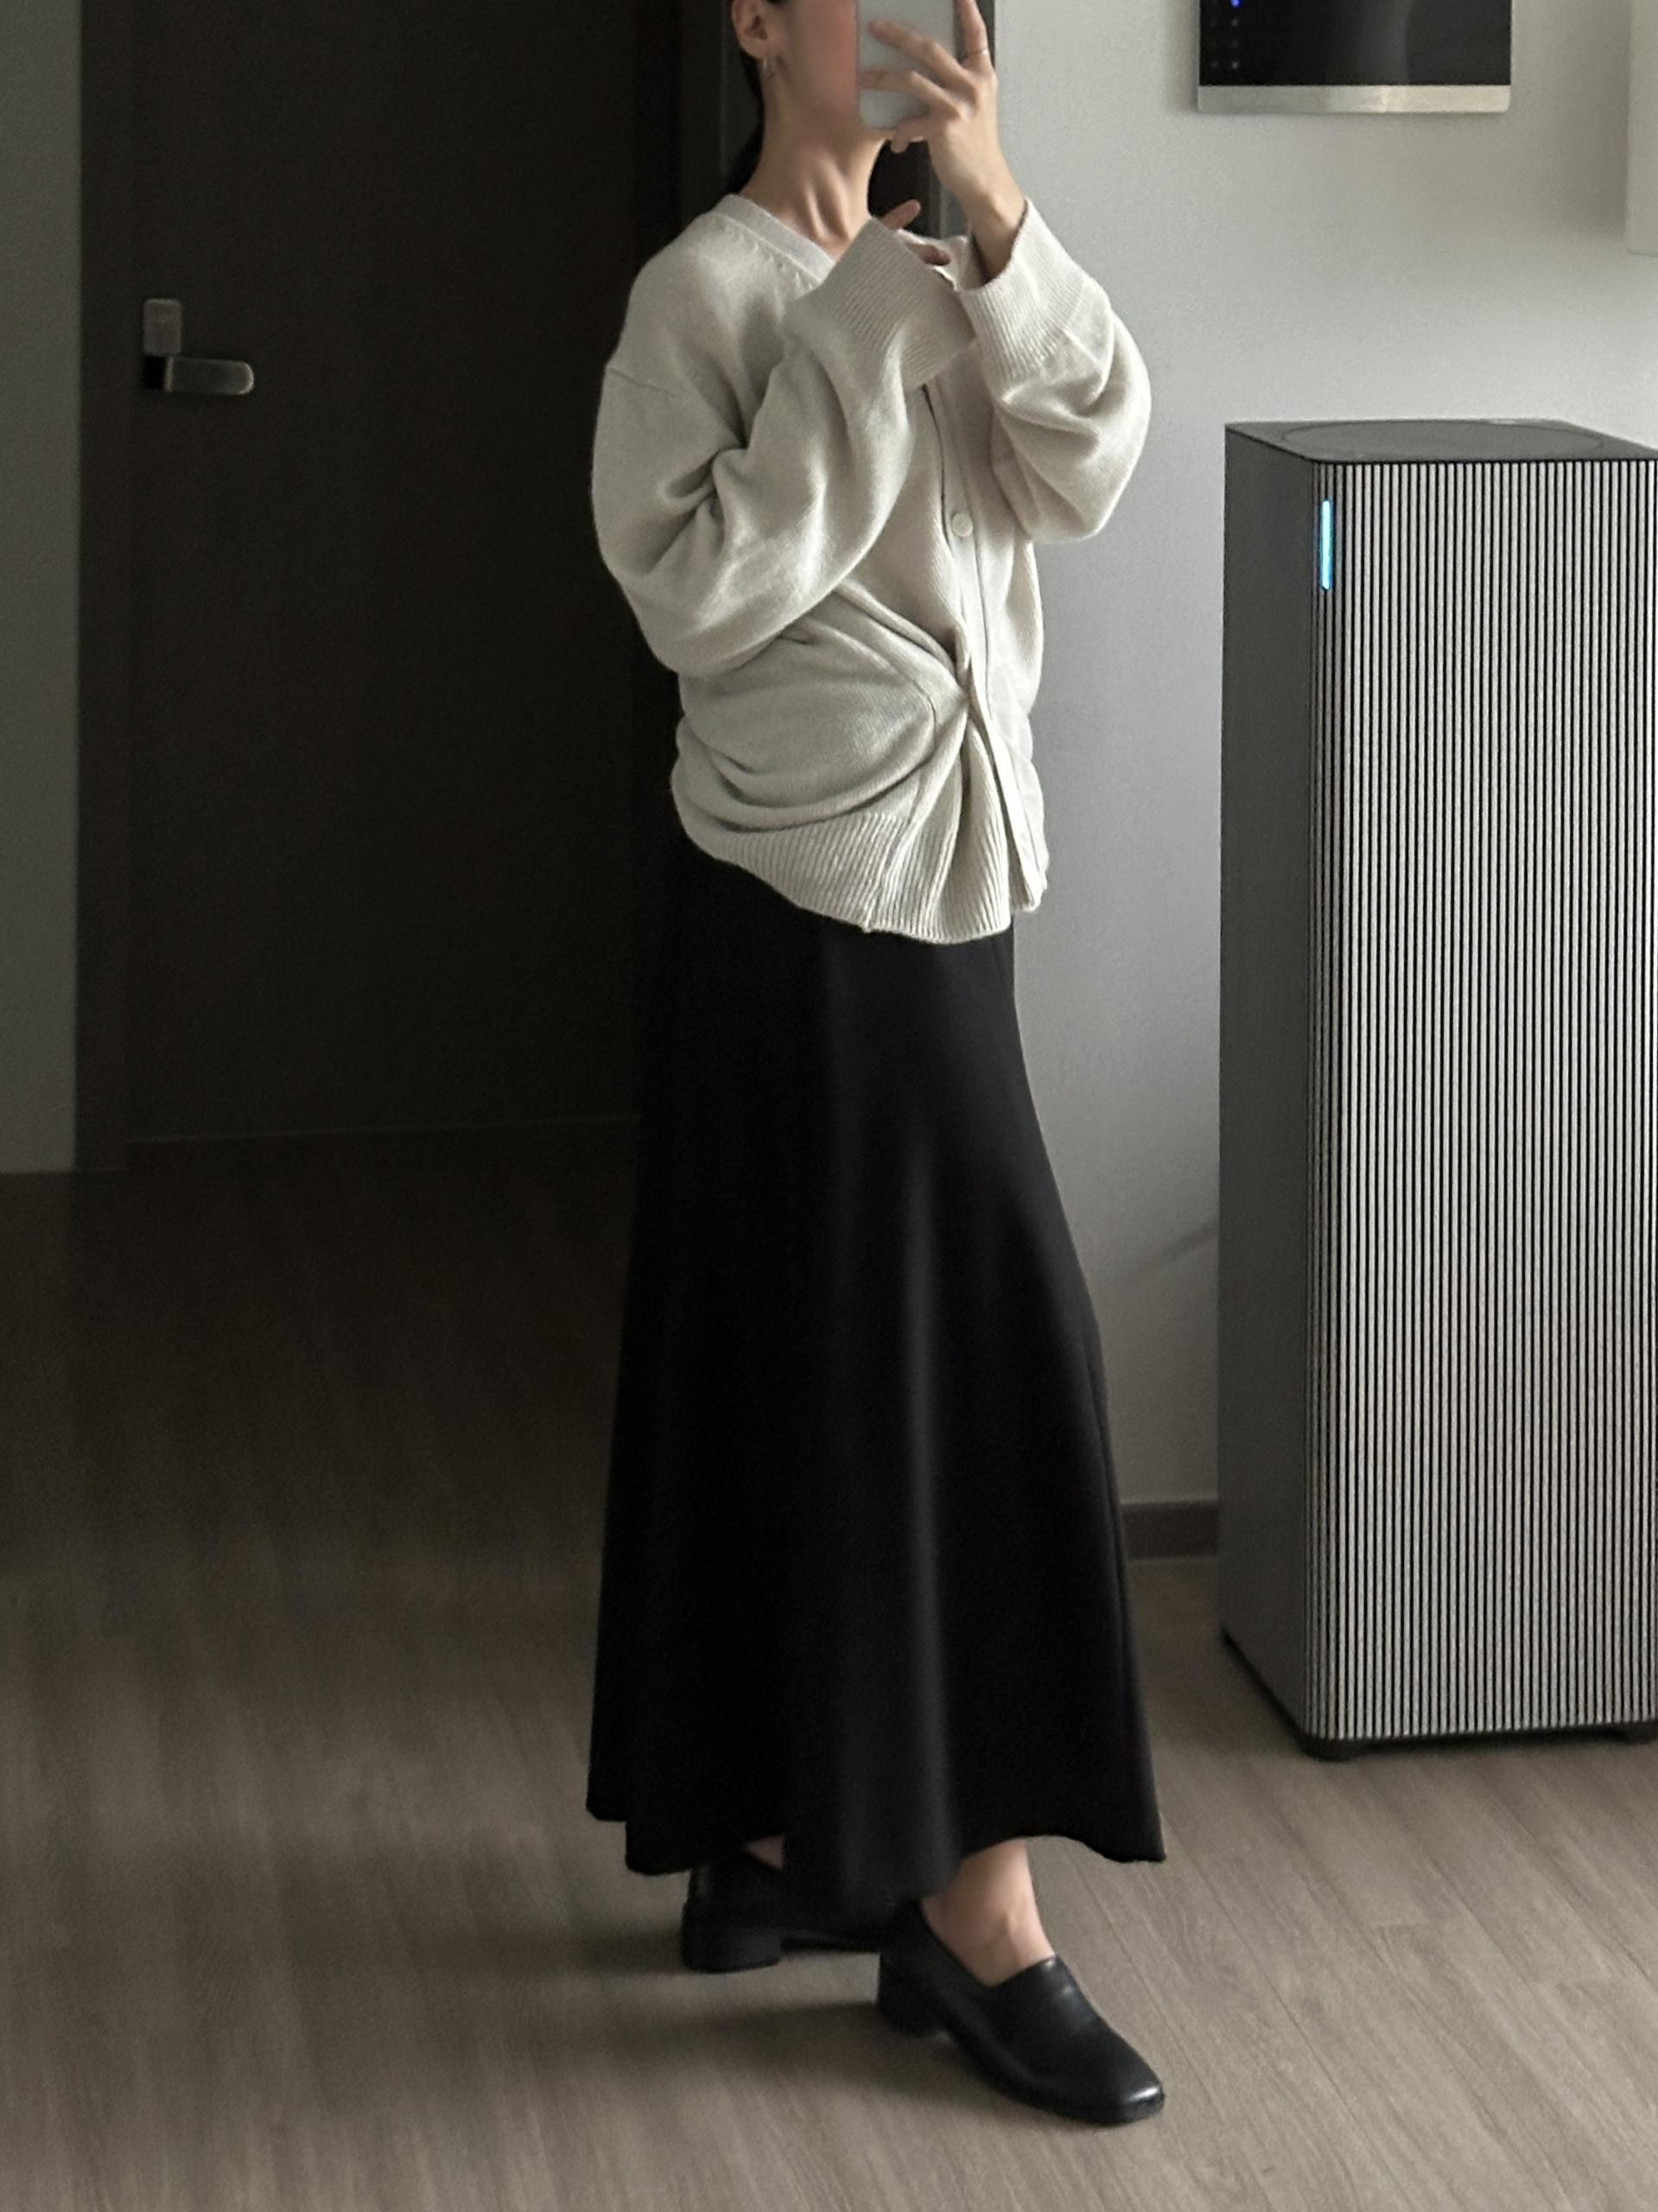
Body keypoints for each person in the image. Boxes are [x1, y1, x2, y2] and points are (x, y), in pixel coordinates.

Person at [584, 0, 1167, 2127]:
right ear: (761, 19)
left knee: (824, 1352)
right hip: (800, 897)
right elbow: (695, 592)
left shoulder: (955, 261)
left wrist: (996, 228)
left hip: (956, 878)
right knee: (975, 1363)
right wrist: (860, 323)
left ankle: (765, 1831)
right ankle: (972, 1904)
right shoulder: (703, 294)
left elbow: (1090, 464)